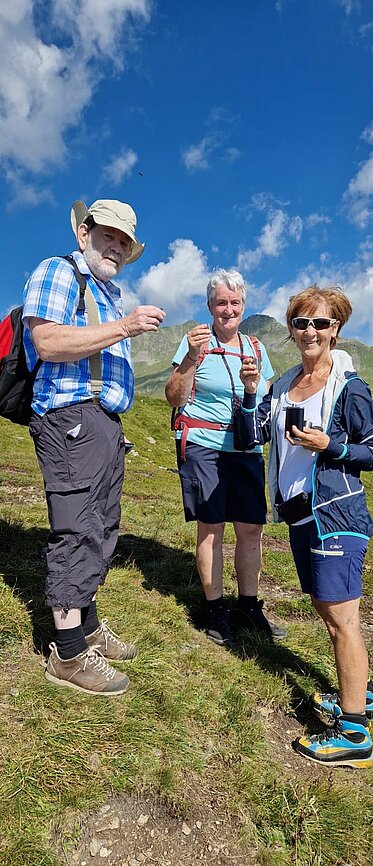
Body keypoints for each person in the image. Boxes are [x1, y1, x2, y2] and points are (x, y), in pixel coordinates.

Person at [238, 284, 373, 768]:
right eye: (302, 323)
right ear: (291, 330)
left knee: (343, 620)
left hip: (337, 514)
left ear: (336, 330)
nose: (311, 332)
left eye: (321, 323)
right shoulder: (283, 385)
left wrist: (330, 445)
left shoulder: (350, 387)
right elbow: (252, 432)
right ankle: (358, 699)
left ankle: (353, 734)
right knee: (330, 614)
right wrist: (249, 390)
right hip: (301, 515)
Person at [22, 199, 165, 696]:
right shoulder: (59, 272)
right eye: (109, 236)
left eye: (124, 242)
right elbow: (48, 343)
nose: (117, 247)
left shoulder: (106, 291)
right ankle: (67, 652)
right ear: (84, 232)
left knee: (101, 528)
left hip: (101, 421)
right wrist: (124, 328)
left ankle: (86, 626)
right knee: (77, 528)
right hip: (70, 418)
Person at [165, 267, 287, 647]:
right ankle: (216, 611)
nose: (228, 309)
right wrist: (189, 358)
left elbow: (263, 398)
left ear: (243, 305)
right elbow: (174, 396)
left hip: (247, 448)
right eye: (221, 302)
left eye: (235, 303)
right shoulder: (194, 343)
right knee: (212, 529)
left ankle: (249, 606)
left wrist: (254, 386)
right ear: (210, 306)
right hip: (203, 445)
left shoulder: (255, 347)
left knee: (251, 528)